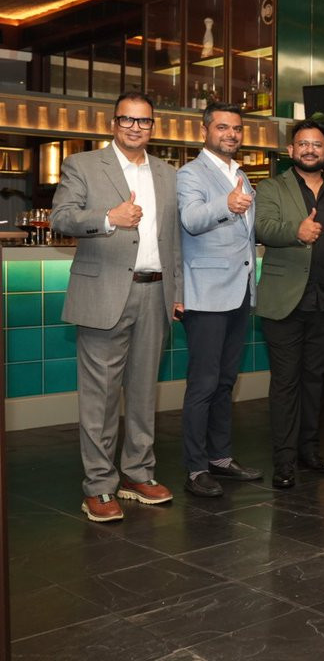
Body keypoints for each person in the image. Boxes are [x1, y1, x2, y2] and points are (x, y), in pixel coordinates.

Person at [50, 91, 182, 522]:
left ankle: (138, 474)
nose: (135, 127)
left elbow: (172, 239)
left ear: (152, 127)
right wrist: (109, 218)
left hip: (155, 293)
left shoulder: (167, 173)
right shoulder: (83, 165)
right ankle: (99, 485)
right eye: (127, 119)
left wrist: (177, 290)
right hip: (103, 294)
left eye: (143, 121)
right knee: (101, 398)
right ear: (113, 123)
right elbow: (61, 218)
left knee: (143, 393)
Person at [254, 119, 324, 489]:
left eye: (317, 145)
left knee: (316, 381)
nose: (310, 150)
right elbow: (262, 227)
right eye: (303, 144)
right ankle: (284, 460)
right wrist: (295, 232)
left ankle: (309, 450)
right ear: (291, 150)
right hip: (285, 302)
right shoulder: (271, 187)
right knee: (286, 383)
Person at [177, 103, 261, 498]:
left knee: (226, 381)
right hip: (206, 292)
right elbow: (191, 219)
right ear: (206, 130)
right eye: (223, 127)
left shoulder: (241, 174)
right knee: (204, 384)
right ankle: (196, 468)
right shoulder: (190, 174)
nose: (231, 134)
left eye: (237, 128)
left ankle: (220, 458)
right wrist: (225, 205)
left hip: (240, 290)